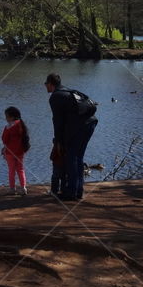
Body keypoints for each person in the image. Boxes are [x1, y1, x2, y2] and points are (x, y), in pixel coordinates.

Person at [46, 72, 98, 201]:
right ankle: (78, 191)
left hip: (79, 127)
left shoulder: (55, 96)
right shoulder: (69, 92)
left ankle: (70, 193)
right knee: (78, 157)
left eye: (46, 84)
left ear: (51, 84)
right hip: (90, 123)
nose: (45, 87)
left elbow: (57, 121)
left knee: (71, 158)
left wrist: (58, 141)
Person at [1, 106, 29, 195]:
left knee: (11, 170)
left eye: (7, 116)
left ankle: (12, 189)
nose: (6, 118)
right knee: (20, 169)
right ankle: (23, 188)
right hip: (20, 151)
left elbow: (4, 139)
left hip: (10, 152)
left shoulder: (8, 126)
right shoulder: (21, 124)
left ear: (12, 117)